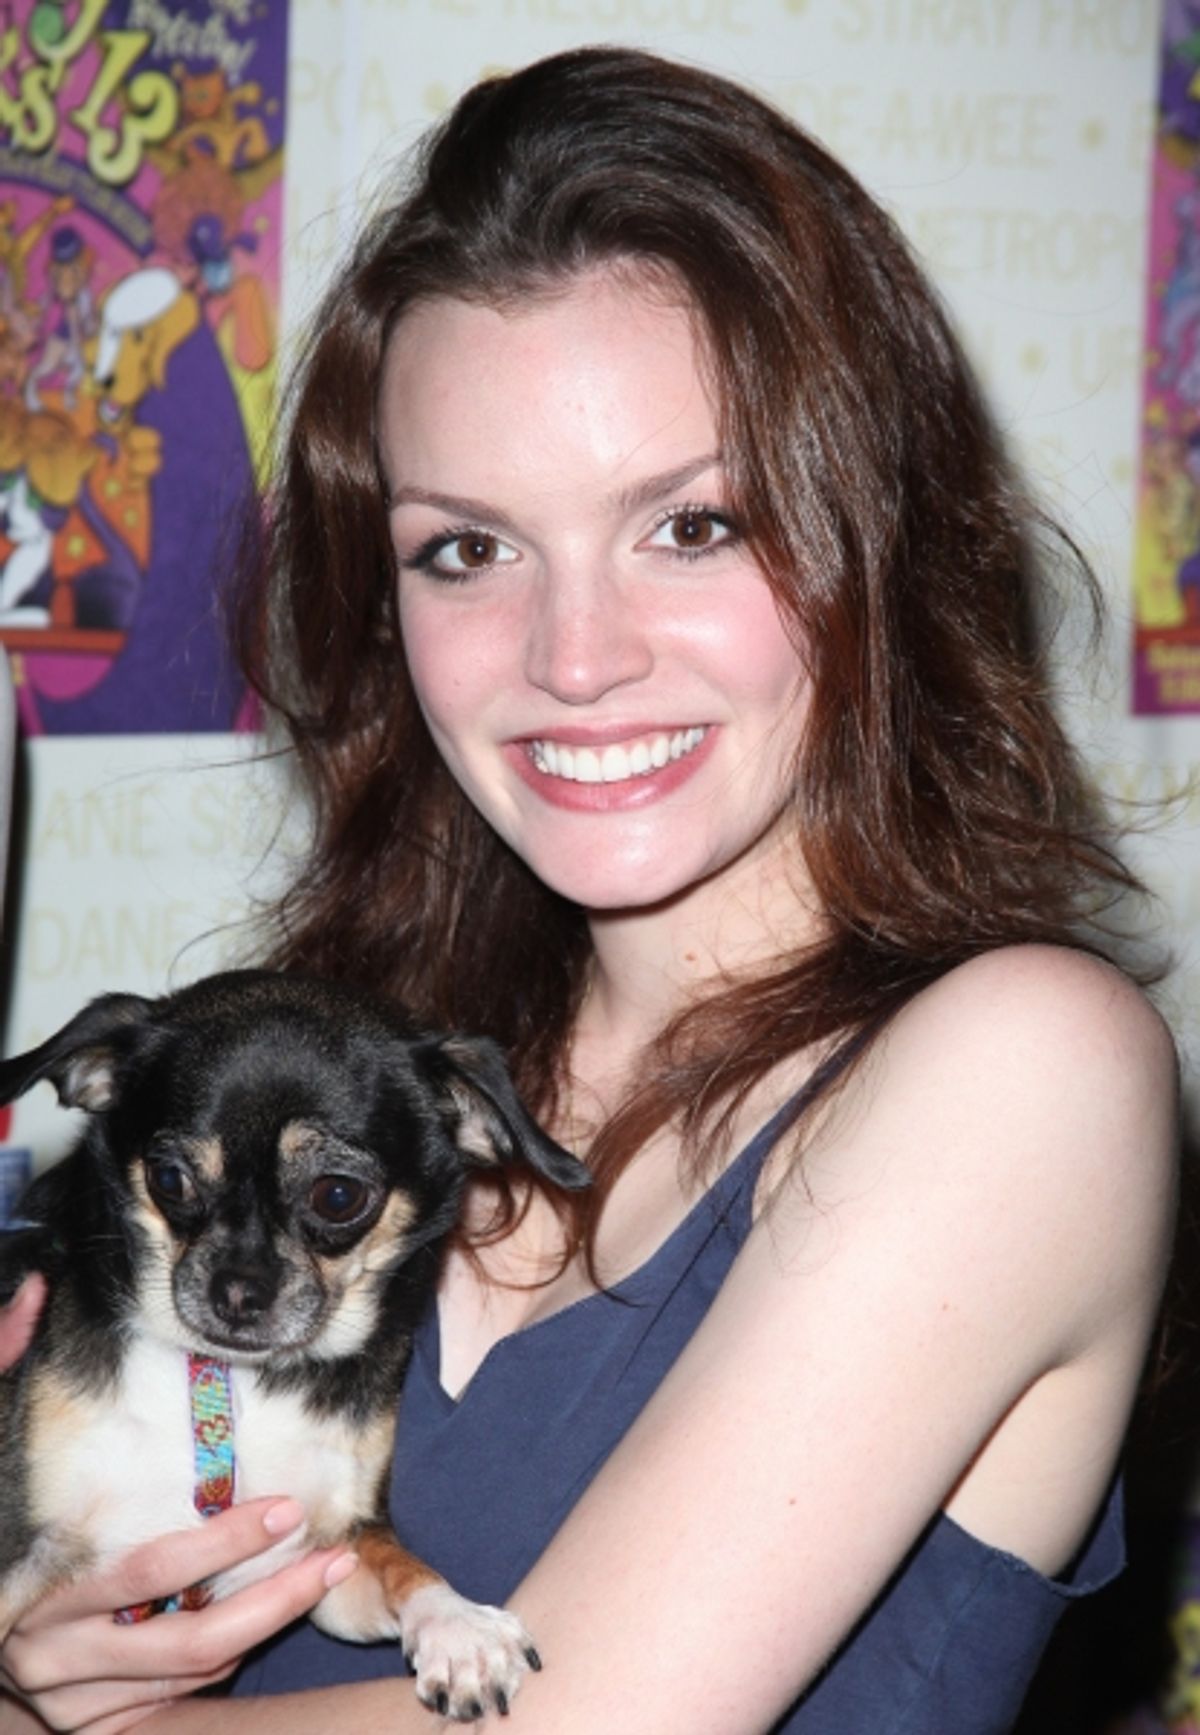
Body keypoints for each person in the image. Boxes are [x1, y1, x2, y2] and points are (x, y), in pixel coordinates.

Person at [0, 44, 1179, 1735]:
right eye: (466, 548)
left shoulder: (1028, 1070)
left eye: (692, 526)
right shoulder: (367, 1068)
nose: (573, 658)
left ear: (878, 532)